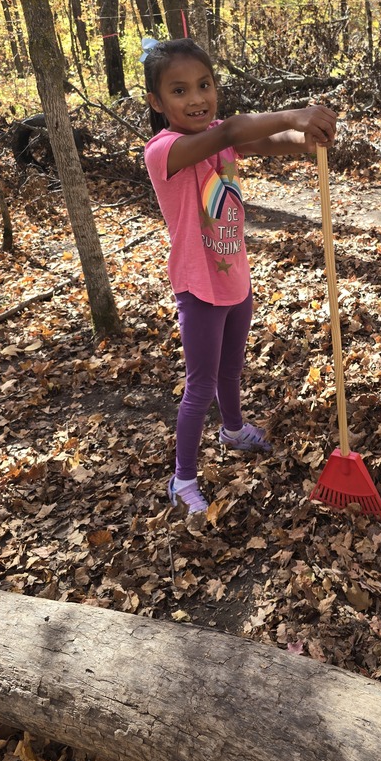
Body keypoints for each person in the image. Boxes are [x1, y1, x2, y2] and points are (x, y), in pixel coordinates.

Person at [142, 38, 337, 513]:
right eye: (180, 90)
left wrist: (305, 140)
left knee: (232, 370)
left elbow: (263, 141)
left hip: (234, 280)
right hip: (199, 288)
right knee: (200, 387)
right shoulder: (165, 149)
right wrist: (294, 112)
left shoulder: (218, 135)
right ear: (157, 102)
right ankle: (182, 480)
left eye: (204, 85)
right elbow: (231, 131)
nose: (196, 98)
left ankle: (233, 429)